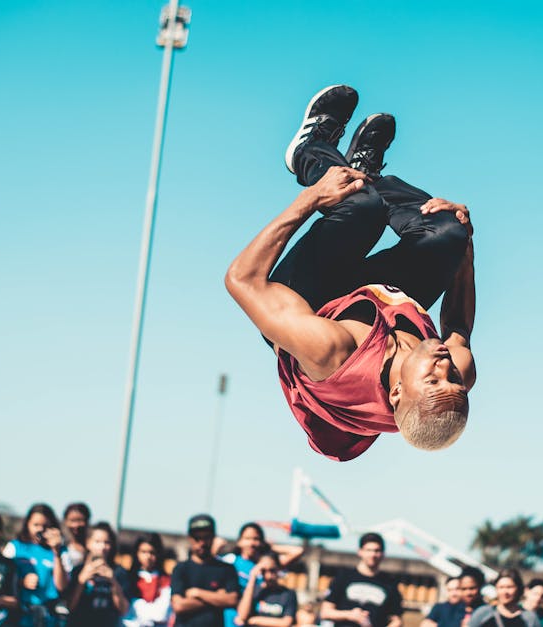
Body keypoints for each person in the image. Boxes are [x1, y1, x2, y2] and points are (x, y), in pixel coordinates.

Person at [225, 84, 476, 462]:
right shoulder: (454, 372)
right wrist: (466, 243)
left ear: (396, 394)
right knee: (448, 233)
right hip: (375, 301)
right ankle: (363, 174)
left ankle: (309, 152)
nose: (444, 366)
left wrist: (312, 198)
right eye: (452, 379)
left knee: (360, 209)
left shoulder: (331, 351)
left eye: (433, 378)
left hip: (308, 306)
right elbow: (457, 322)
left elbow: (242, 280)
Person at [219, 524, 302, 627]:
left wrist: (270, 546)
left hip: (257, 616)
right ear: (239, 541)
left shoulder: (266, 565)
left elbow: (297, 551)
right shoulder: (230, 561)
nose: (252, 543)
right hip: (232, 619)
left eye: (256, 539)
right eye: (247, 538)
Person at [2, 504, 68, 627]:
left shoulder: (61, 551)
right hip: (19, 614)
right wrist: (21, 582)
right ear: (27, 524)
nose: (40, 529)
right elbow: (1, 579)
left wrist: (56, 551)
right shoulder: (15, 547)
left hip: (48, 615)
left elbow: (62, 586)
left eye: (45, 526)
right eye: (36, 525)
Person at [320, 533, 402, 627]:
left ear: (383, 554)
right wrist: (350, 615)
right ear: (360, 552)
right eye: (368, 550)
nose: (373, 554)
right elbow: (325, 612)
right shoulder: (344, 577)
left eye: (377, 550)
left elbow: (397, 620)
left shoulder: (390, 583)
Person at [170, 515, 239, 627]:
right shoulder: (181, 568)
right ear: (190, 538)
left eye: (206, 537)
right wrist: (216, 597)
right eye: (197, 538)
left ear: (213, 538)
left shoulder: (226, 569)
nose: (202, 543)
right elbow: (178, 606)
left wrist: (197, 593)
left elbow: (232, 600)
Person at [65, 522, 129, 627]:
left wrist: (113, 581)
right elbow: (70, 606)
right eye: (97, 542)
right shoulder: (78, 570)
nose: (102, 546)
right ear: (88, 543)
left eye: (107, 542)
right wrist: (81, 580)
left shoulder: (119, 572)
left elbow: (123, 610)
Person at [235, 551, 297, 627]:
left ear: (278, 569)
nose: (268, 576)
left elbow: (286, 623)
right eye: (264, 571)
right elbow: (242, 616)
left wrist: (254, 620)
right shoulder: (252, 591)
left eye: (272, 570)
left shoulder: (288, 594)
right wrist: (252, 577)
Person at [123, 534, 171, 627]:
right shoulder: (128, 578)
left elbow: (161, 614)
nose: (148, 557)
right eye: (144, 552)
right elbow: (126, 611)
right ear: (136, 553)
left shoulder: (166, 580)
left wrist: (138, 609)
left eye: (152, 552)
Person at [467, 569, 540, 627]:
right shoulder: (483, 613)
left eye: (509, 587)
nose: (505, 592)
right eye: (501, 587)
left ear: (518, 588)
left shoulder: (530, 618)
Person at [61, 505, 91, 575]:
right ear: (65, 521)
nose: (76, 525)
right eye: (73, 520)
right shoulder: (61, 546)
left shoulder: (93, 545)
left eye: (80, 520)